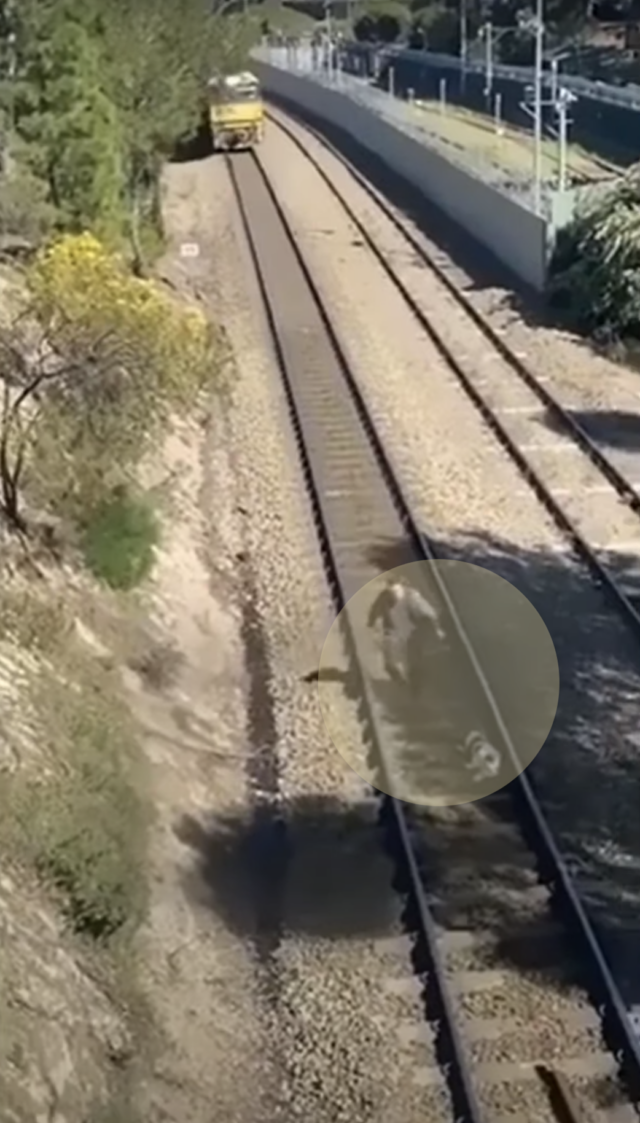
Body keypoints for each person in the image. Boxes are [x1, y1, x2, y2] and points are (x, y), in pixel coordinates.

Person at [367, 578, 446, 685]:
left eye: (395, 592)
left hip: (410, 633)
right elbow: (376, 608)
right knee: (390, 663)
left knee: (411, 661)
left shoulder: (412, 597)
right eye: (391, 592)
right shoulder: (384, 596)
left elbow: (429, 613)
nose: (393, 596)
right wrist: (371, 620)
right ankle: (402, 680)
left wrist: (436, 628)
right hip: (392, 631)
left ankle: (414, 683)